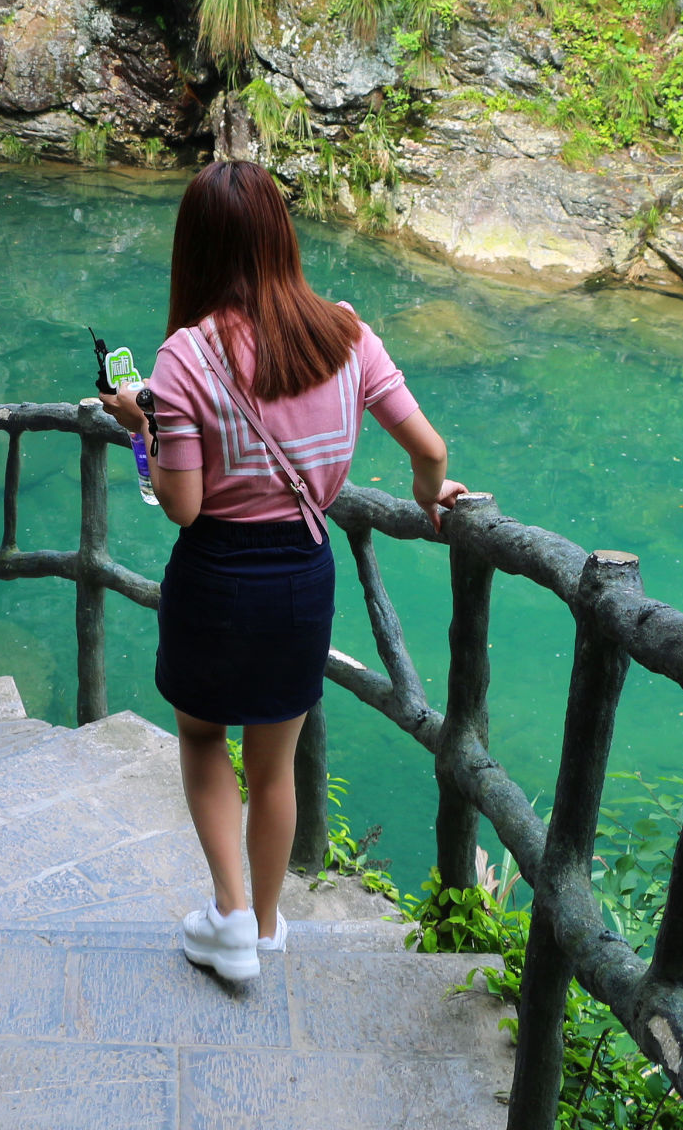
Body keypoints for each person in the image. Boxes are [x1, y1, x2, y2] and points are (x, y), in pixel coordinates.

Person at [99, 160, 468, 984]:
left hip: (219, 570)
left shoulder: (184, 357)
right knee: (275, 764)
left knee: (202, 738)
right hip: (303, 571)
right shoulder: (341, 330)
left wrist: (141, 425)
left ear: (193, 247)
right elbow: (430, 447)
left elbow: (182, 505)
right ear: (279, 235)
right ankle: (264, 927)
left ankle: (228, 915)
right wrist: (426, 489)